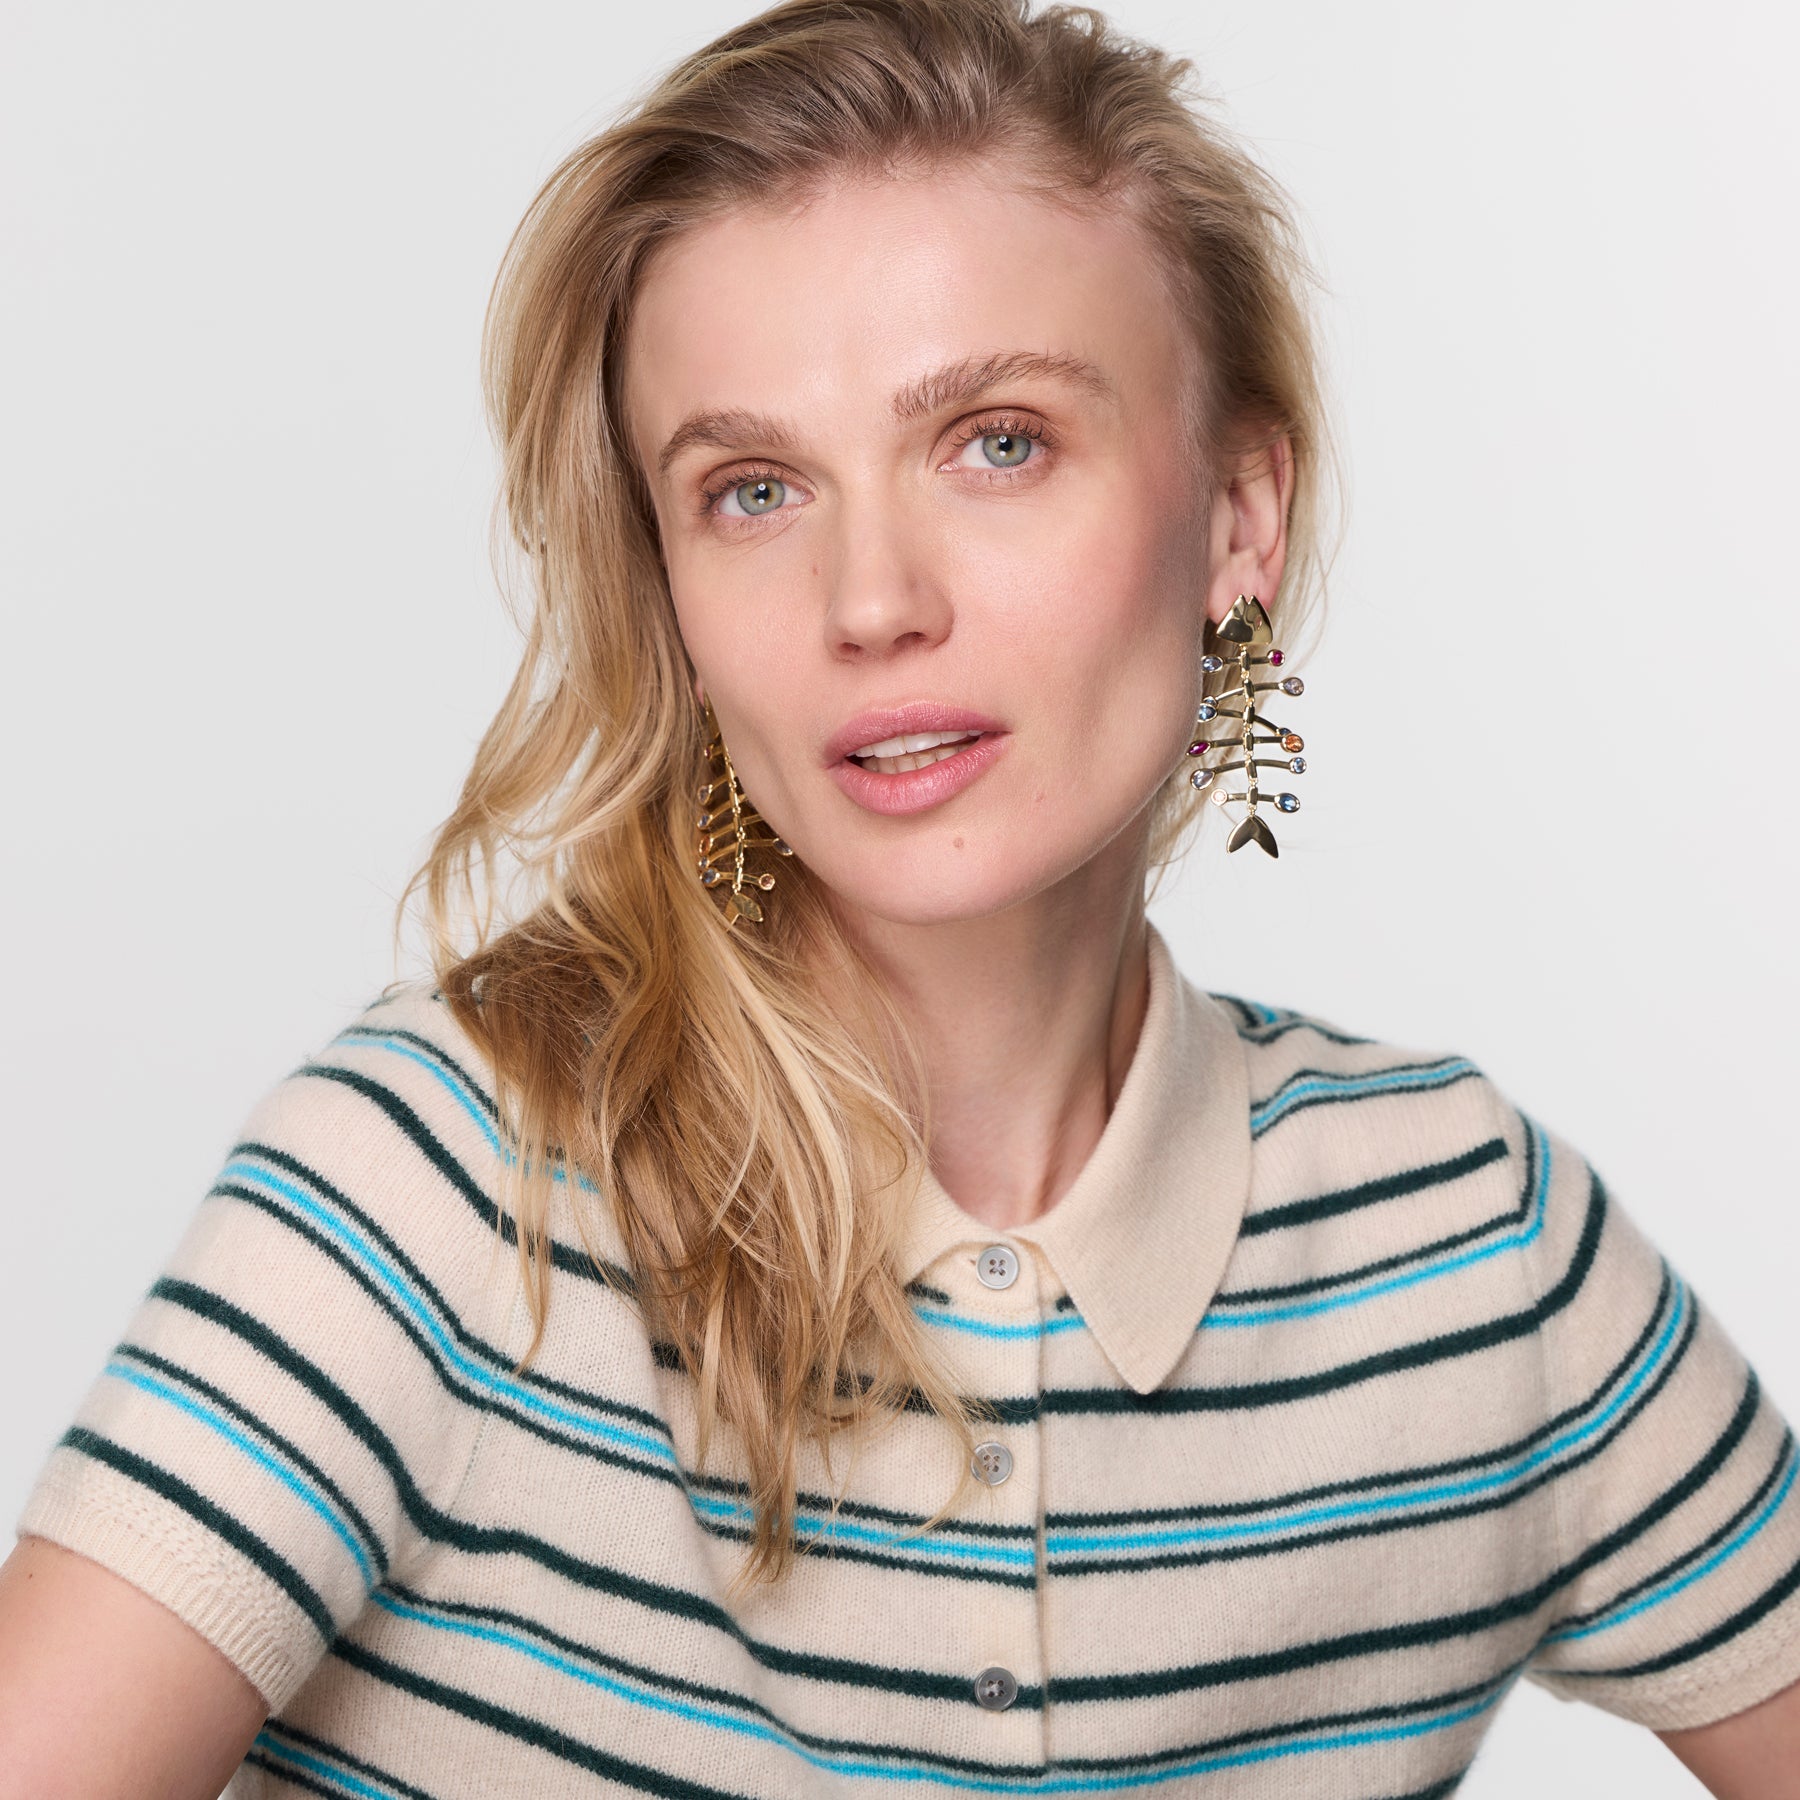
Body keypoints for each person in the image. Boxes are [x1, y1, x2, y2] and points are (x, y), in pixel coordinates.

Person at [2, 0, 1797, 1793]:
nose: (870, 601)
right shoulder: (451, 1189)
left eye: (997, 441)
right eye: (753, 489)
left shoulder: (1474, 1254)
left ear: (1240, 518)